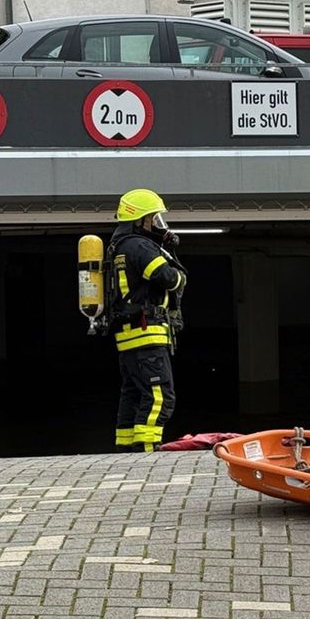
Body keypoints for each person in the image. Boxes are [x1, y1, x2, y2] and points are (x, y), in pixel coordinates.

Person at [109, 189, 187, 453]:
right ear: (140, 220)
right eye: (154, 218)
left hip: (129, 336)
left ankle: (125, 451)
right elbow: (168, 278)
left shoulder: (119, 246)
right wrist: (177, 272)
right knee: (160, 396)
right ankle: (147, 452)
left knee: (133, 394)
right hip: (147, 333)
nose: (158, 225)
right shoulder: (139, 246)